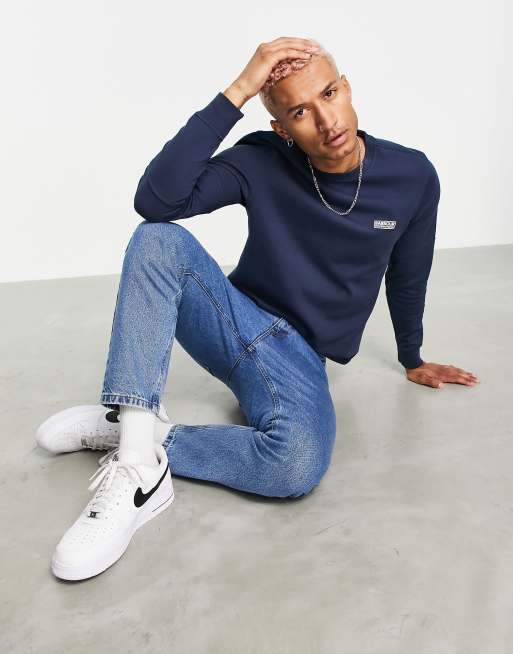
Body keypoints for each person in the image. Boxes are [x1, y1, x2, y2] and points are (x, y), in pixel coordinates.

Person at [36, 36, 479, 581]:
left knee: (295, 464)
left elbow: (409, 275)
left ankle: (141, 432)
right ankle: (135, 471)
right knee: (157, 239)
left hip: (300, 358)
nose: (327, 121)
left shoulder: (412, 177)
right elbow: (156, 201)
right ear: (282, 128)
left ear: (346, 88)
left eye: (329, 94)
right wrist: (240, 89)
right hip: (233, 319)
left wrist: (412, 356)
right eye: (300, 112)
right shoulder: (263, 159)